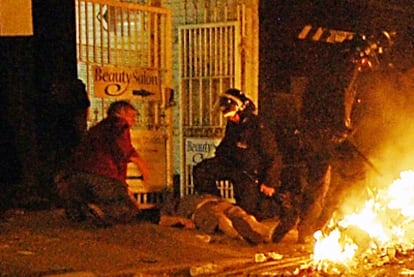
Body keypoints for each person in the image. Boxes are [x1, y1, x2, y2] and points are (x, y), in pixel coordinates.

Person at [192, 88, 283, 221]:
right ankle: (215, 207)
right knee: (202, 170)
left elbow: (273, 156)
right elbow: (227, 145)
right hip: (233, 165)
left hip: (249, 174)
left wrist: (269, 181)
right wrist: (219, 159)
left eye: (233, 115)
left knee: (245, 214)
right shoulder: (234, 124)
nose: (231, 119)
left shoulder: (258, 127)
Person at [56, 100, 150, 226]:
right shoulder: (119, 124)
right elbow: (123, 150)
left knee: (93, 198)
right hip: (100, 176)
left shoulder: (97, 128)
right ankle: (102, 212)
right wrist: (141, 164)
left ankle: (80, 209)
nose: (133, 121)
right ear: (121, 112)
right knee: (128, 210)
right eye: (132, 116)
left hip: (75, 178)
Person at [159, 193, 278, 245]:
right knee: (235, 216)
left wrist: (182, 220)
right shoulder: (171, 207)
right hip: (209, 205)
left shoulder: (180, 203)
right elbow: (163, 220)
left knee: (223, 218)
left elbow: (163, 220)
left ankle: (242, 234)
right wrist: (181, 220)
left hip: (205, 206)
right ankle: (266, 233)